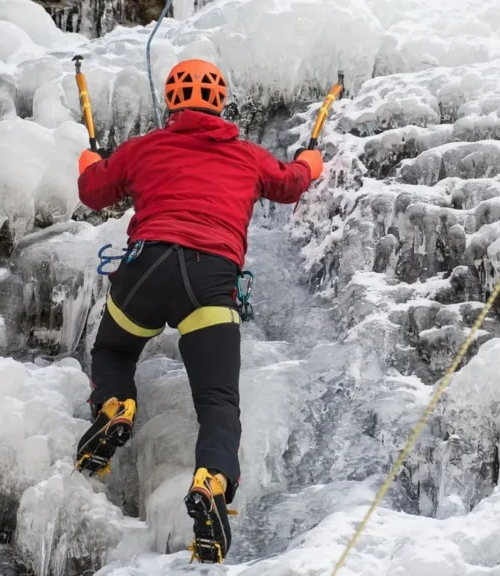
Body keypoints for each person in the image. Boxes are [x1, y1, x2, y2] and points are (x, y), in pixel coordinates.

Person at [71, 59, 324, 564]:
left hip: (147, 267)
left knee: (115, 348)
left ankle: (116, 404)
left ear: (171, 101)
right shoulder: (248, 155)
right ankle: (210, 481)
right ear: (221, 102)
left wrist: (87, 160)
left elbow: (93, 192)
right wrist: (311, 161)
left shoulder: (146, 147)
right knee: (217, 401)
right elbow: (292, 183)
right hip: (209, 279)